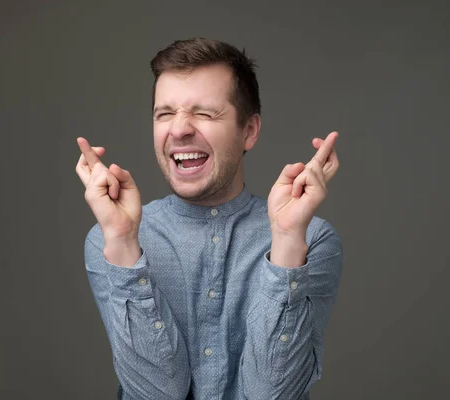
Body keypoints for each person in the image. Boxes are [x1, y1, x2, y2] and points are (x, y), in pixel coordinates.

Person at [75, 37, 343, 400]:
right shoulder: (107, 241)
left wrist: (287, 239)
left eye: (204, 113)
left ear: (248, 130)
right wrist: (123, 244)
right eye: (165, 113)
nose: (179, 129)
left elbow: (272, 393)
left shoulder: (312, 241)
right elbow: (157, 394)